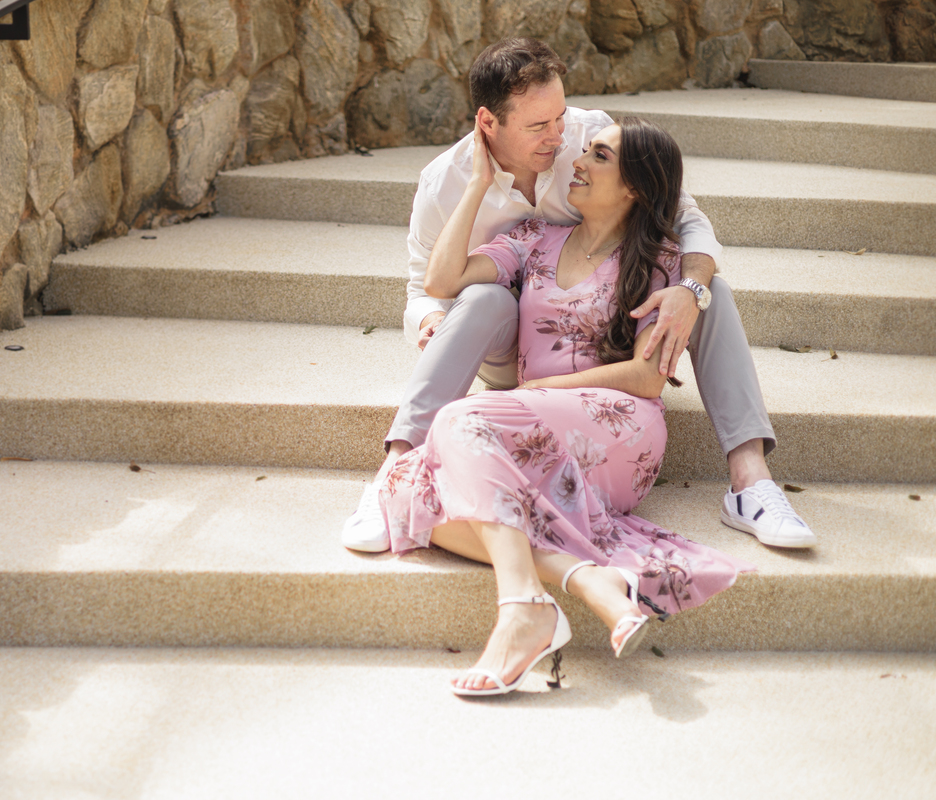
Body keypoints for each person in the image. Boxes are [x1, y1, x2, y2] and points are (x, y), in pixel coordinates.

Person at [342, 38, 815, 553]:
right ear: (488, 122)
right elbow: (427, 286)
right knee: (482, 298)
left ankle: (750, 481)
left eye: (560, 117)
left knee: (708, 289)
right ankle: (396, 467)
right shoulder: (446, 185)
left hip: (602, 356)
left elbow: (683, 216)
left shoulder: (592, 136)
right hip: (506, 344)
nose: (561, 139)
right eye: (538, 126)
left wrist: (690, 287)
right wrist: (434, 320)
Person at [382, 116, 755, 695]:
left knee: (457, 420)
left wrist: (534, 393)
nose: (577, 162)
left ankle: (522, 610)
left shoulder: (661, 259)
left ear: (634, 186)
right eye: (585, 152)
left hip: (618, 429)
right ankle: (581, 579)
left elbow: (647, 378)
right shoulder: (535, 238)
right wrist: (479, 182)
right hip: (530, 424)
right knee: (402, 487)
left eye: (599, 156)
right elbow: (441, 279)